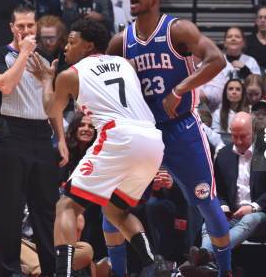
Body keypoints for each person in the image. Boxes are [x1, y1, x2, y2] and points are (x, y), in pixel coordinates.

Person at [107, 0, 234, 277]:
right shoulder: (120, 42)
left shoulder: (177, 30)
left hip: (182, 129)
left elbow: (217, 59)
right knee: (111, 207)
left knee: (206, 202)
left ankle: (226, 271)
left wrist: (181, 88)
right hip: (142, 133)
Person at [28, 17, 165, 277]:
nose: (65, 47)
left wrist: (47, 79)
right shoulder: (125, 64)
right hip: (152, 140)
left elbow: (50, 109)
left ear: (89, 46)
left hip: (119, 137)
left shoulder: (70, 75)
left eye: (71, 41)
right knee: (116, 210)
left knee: (66, 207)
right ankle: (154, 264)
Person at [0, 3, 62, 277]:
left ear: (36, 27)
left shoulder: (44, 59)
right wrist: (24, 53)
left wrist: (62, 139)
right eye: (21, 26)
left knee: (46, 209)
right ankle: (8, 271)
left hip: (42, 135)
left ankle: (52, 270)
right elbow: (6, 86)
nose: (26, 30)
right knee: (9, 209)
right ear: (12, 28)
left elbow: (52, 104)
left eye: (30, 25)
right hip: (11, 135)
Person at [200, 112, 266, 253]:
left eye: (243, 136)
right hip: (232, 213)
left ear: (254, 132)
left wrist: (253, 207)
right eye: (234, 136)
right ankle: (206, 260)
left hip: (260, 213)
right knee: (209, 222)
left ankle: (208, 255)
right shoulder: (223, 154)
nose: (238, 141)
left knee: (249, 220)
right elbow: (217, 189)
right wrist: (223, 206)